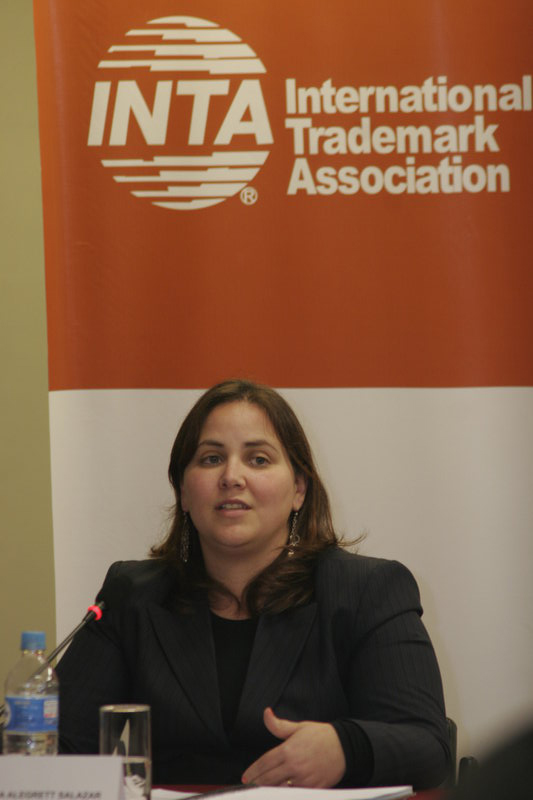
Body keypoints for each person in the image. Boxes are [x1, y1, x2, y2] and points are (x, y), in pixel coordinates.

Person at [57, 379, 450, 788]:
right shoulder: (131, 595)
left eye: (258, 459)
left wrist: (346, 749)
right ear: (184, 492)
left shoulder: (367, 591)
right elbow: (58, 747)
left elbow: (428, 747)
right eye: (211, 459)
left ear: (299, 489)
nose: (232, 476)